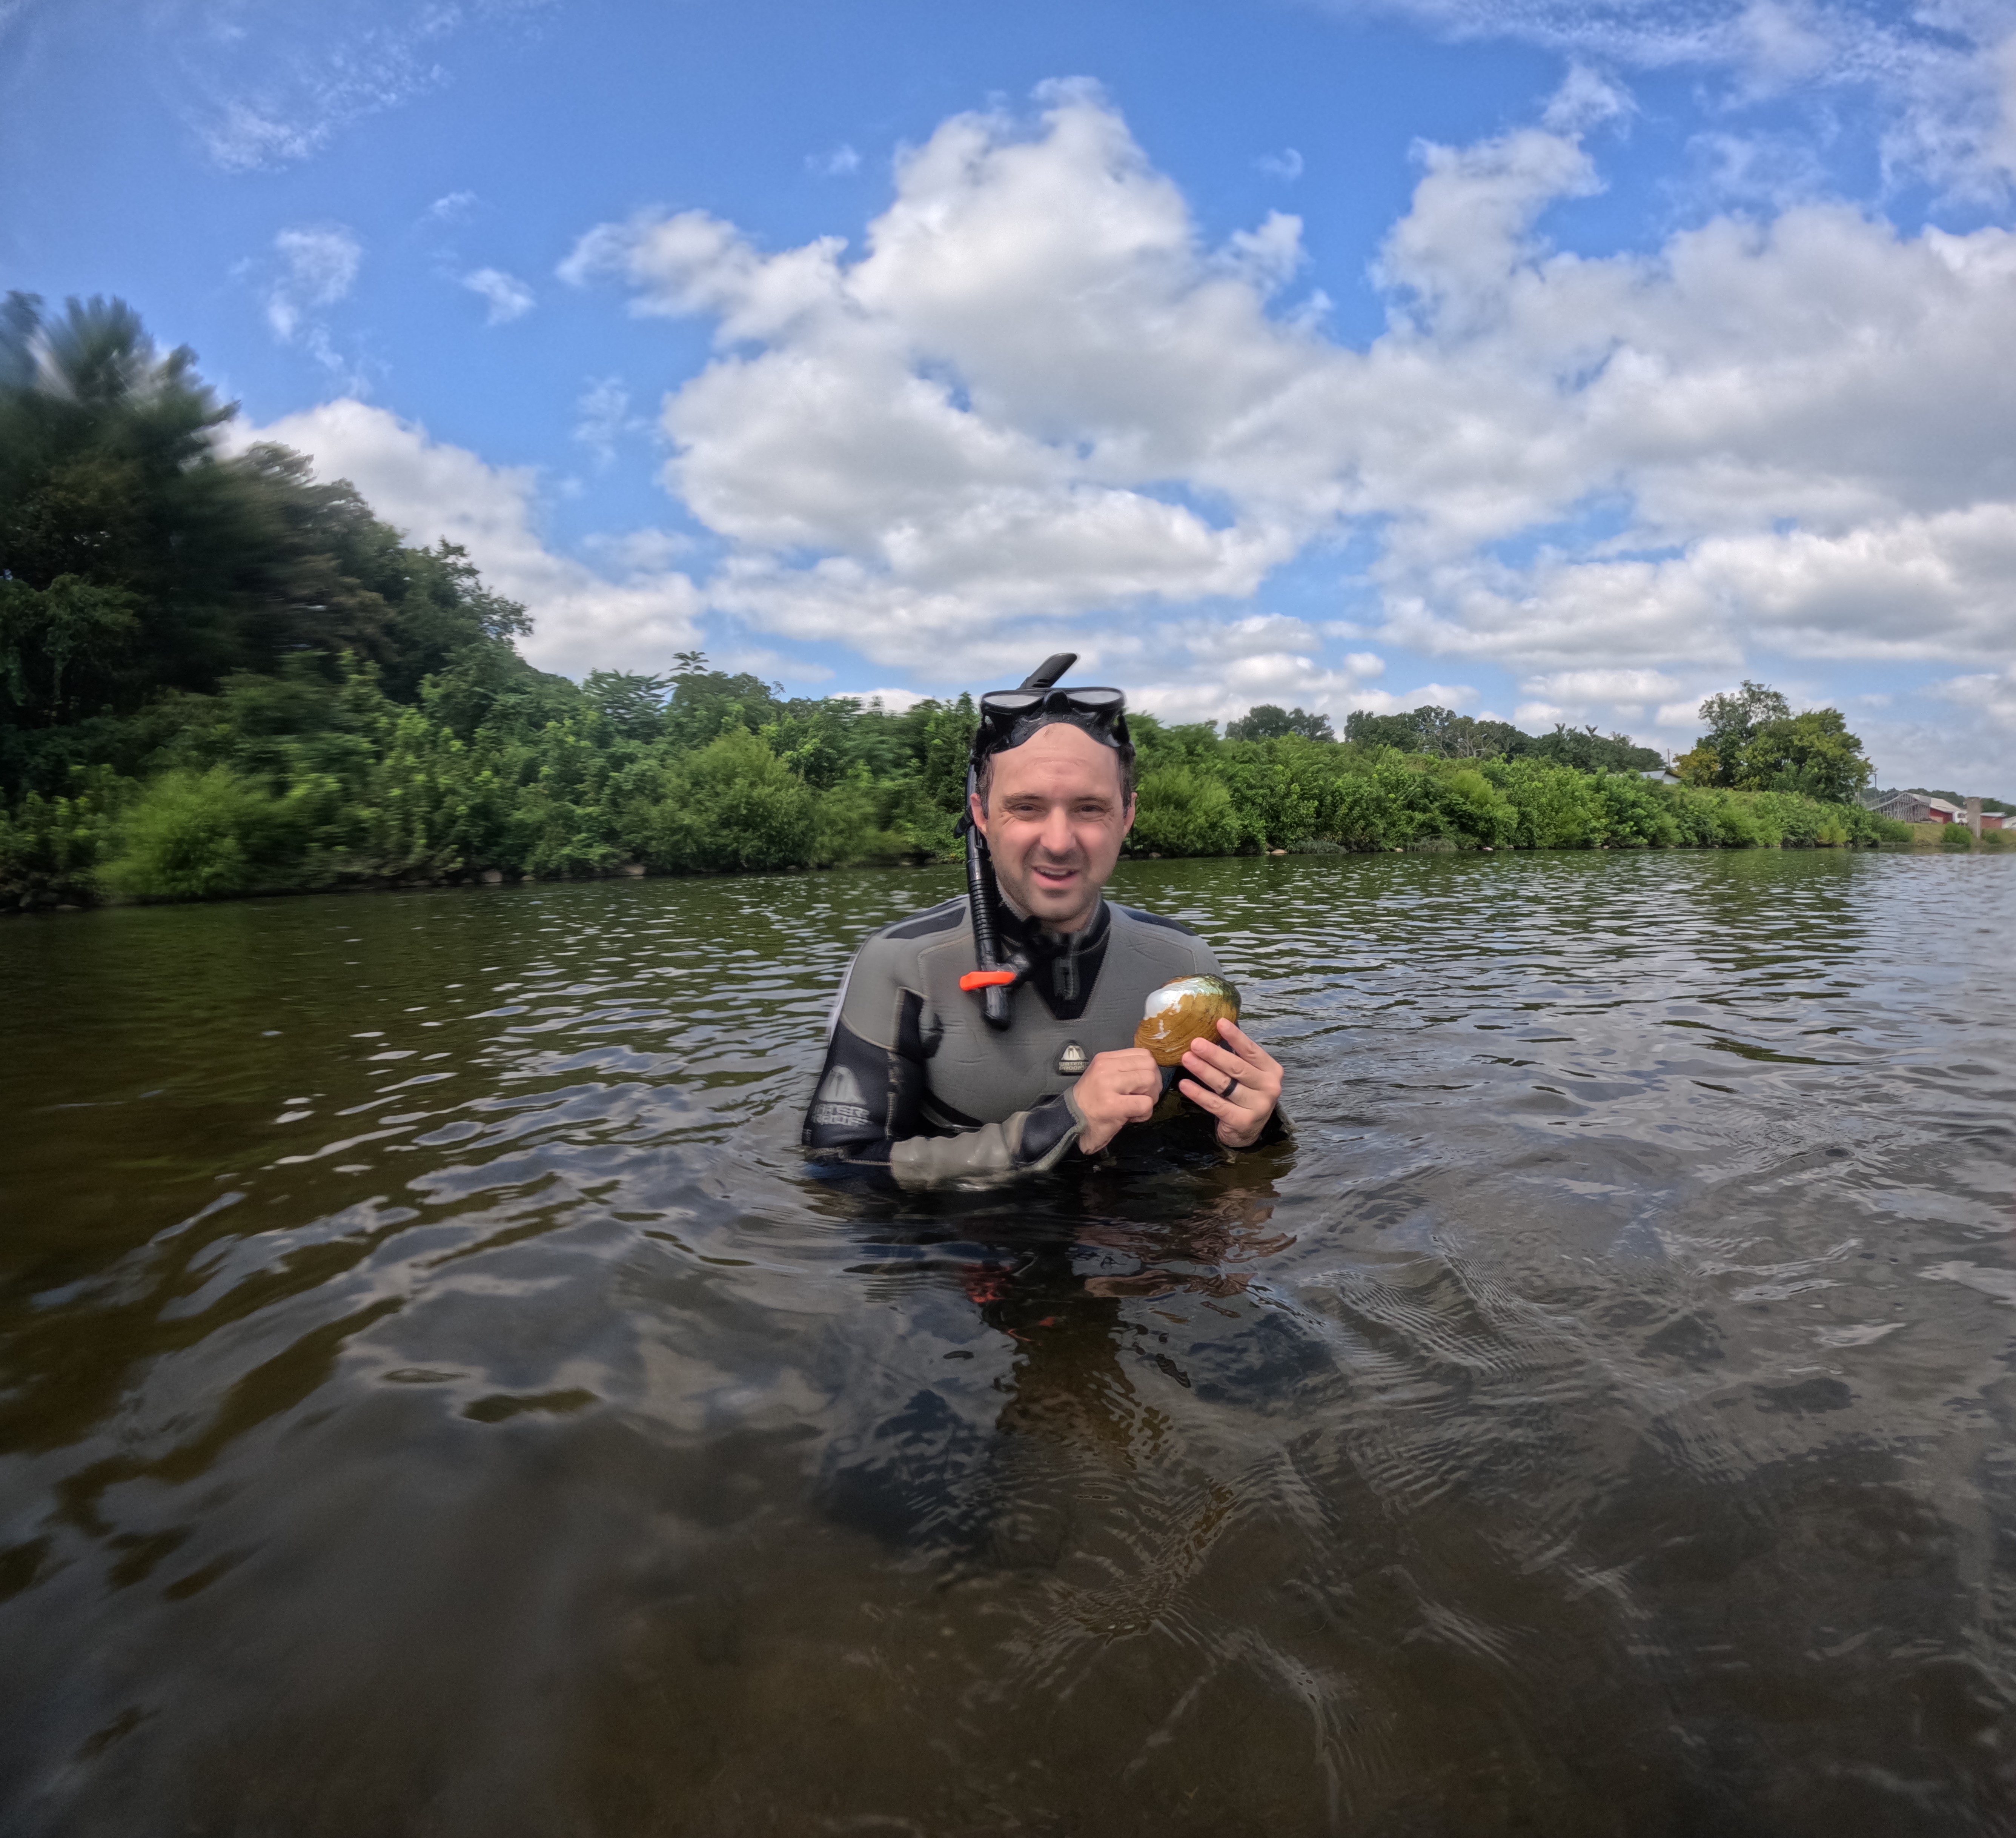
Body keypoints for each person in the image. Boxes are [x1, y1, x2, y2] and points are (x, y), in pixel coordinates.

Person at [803, 665, 1286, 1187]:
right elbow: (836, 1172)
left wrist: (1252, 1133)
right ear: (982, 815)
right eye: (1027, 807)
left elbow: (1214, 1143)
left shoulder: (1184, 962)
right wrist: (1062, 1125)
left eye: (1090, 808)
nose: (1058, 842)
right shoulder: (902, 965)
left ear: (1127, 816)